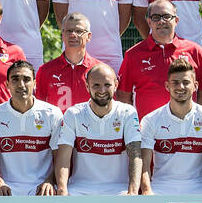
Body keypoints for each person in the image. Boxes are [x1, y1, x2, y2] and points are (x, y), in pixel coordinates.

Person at [116, 0, 202, 118]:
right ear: (149, 22)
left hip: (185, 129)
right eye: (156, 17)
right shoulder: (133, 54)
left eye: (167, 16)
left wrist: (190, 118)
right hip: (147, 132)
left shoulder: (194, 50)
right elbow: (124, 96)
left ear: (176, 20)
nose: (161, 21)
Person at [53, 64, 142, 195]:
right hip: (79, 190)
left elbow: (135, 155)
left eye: (107, 85)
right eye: (96, 85)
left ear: (116, 85)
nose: (102, 90)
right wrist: (62, 190)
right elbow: (63, 157)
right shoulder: (73, 114)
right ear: (87, 86)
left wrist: (133, 192)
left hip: (119, 190)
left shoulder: (127, 112)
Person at [139, 59, 202, 196]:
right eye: (175, 83)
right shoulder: (150, 120)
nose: (181, 87)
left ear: (195, 85)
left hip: (199, 188)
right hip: (161, 188)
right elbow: (144, 163)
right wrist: (147, 191)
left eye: (186, 82)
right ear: (167, 86)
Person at [0, 61, 62, 196]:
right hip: (7, 187)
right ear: (7, 84)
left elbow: (60, 157)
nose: (21, 85)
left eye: (26, 79)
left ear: (35, 83)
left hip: (42, 187)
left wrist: (50, 181)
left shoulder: (52, 113)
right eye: (15, 79)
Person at [34, 13, 103, 111]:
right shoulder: (45, 70)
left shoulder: (99, 70)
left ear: (88, 36)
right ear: (62, 35)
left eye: (79, 31)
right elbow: (39, 108)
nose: (73, 34)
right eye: (69, 31)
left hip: (89, 126)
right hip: (57, 126)